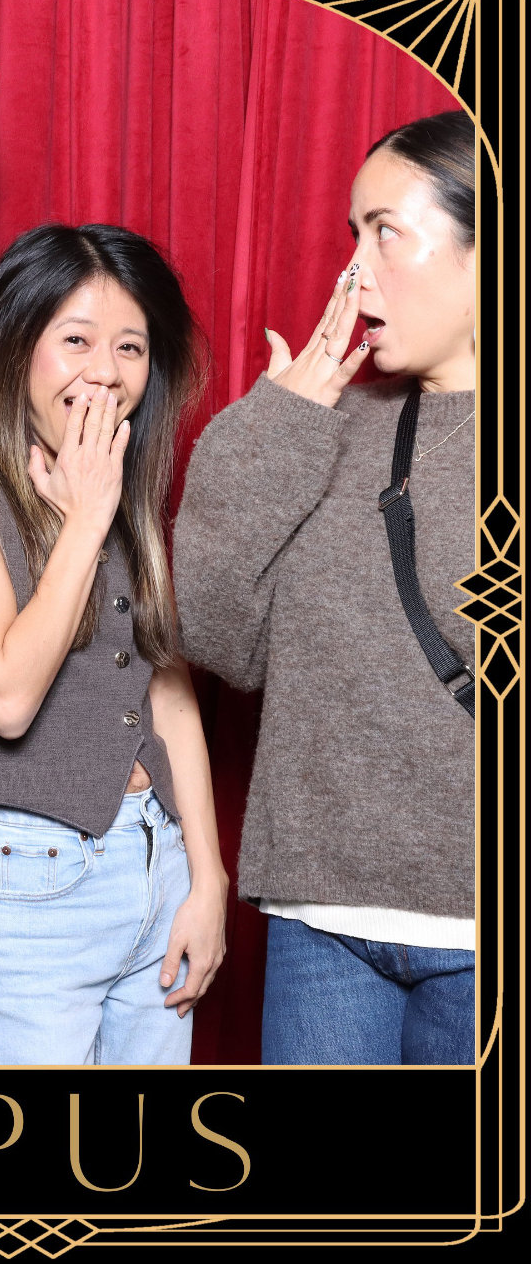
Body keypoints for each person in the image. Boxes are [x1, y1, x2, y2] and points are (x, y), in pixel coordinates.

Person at [172, 110, 476, 1065]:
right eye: (354, 234)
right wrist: (275, 423)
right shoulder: (328, 426)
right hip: (323, 916)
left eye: (386, 232)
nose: (355, 272)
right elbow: (217, 634)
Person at [0, 224, 229, 1065]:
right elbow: (7, 698)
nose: (106, 372)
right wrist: (84, 523)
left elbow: (166, 691)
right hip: (34, 882)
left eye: (130, 347)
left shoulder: (121, 484)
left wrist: (207, 878)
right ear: (16, 346)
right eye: (76, 340)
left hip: (156, 860)